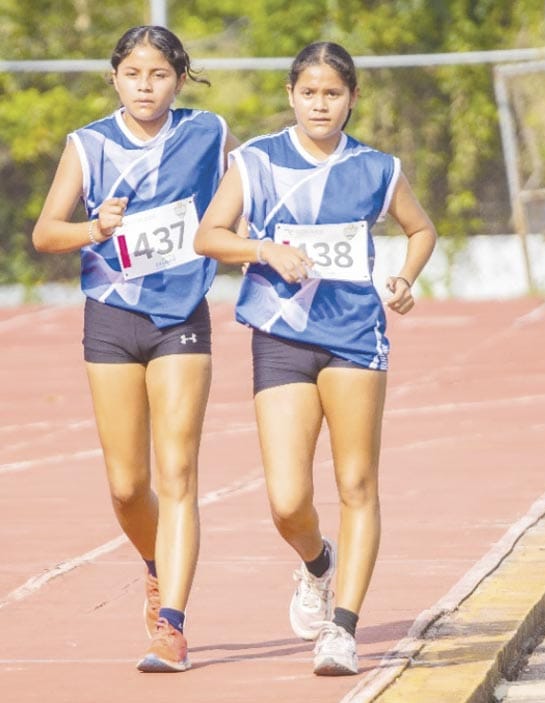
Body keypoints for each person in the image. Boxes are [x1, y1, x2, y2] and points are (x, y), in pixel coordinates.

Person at [194, 41, 437, 676]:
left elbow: (422, 229)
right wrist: (264, 251)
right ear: (291, 95)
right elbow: (208, 236)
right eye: (309, 92)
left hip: (357, 337)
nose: (320, 103)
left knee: (357, 483)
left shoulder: (378, 168)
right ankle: (317, 564)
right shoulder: (256, 162)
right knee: (286, 499)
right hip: (280, 335)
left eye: (333, 93)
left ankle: (344, 628)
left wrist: (406, 279)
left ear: (352, 98)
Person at [32, 25, 238, 673]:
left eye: (158, 75)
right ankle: (155, 563)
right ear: (114, 78)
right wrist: (95, 226)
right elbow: (45, 233)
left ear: (178, 79)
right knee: (127, 487)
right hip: (111, 318)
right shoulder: (89, 145)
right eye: (133, 75)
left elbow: (249, 191)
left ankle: (171, 625)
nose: (145, 86)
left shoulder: (207, 132)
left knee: (178, 473)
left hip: (181, 316)